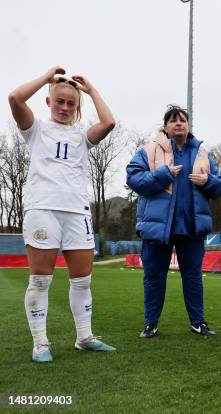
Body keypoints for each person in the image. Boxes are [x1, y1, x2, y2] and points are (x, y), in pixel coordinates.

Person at [9, 66, 116, 362]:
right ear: (49, 102)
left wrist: (91, 90)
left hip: (77, 211)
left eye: (71, 103)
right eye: (60, 102)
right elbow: (15, 98)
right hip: (42, 210)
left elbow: (108, 122)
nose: (65, 108)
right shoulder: (36, 130)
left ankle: (84, 337)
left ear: (77, 106)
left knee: (82, 280)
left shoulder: (82, 135)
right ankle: (41, 343)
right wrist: (47, 78)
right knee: (41, 280)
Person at [127, 105, 221, 339]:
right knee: (154, 276)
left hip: (191, 227)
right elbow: (133, 178)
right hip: (158, 227)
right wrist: (163, 174)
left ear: (188, 125)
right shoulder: (149, 151)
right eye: (173, 120)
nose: (178, 123)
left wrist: (207, 181)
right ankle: (150, 324)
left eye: (182, 120)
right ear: (165, 126)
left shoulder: (202, 152)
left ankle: (198, 322)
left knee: (192, 276)